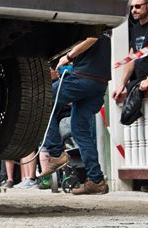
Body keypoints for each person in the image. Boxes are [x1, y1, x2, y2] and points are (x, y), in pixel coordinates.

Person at [41, 30, 112, 195]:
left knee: (43, 101)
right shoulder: (108, 24)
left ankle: (56, 153)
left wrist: (68, 56)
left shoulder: (93, 20)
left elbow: (92, 37)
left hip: (83, 77)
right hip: (99, 83)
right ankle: (96, 181)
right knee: (80, 130)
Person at [112, 0, 148, 101]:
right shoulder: (135, 28)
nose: (133, 10)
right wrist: (122, 85)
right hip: (141, 80)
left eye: (137, 6)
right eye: (131, 7)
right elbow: (131, 58)